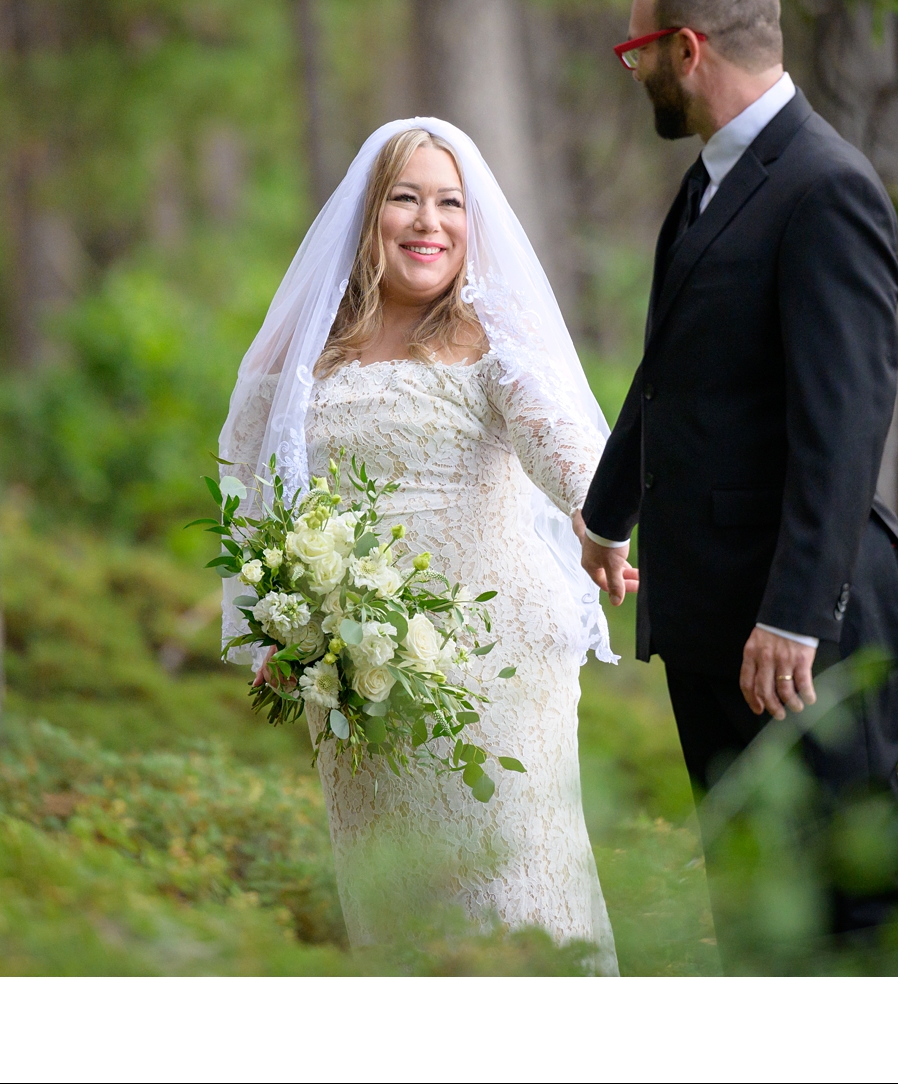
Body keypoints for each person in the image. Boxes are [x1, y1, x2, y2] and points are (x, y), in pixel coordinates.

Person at [576, 0, 898, 968]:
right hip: (714, 624)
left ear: (685, 48)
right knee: (757, 921)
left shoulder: (824, 187)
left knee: (849, 920)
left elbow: (844, 425)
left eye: (635, 48)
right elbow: (670, 368)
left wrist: (793, 615)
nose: (629, 68)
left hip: (800, 634)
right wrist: (607, 512)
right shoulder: (709, 185)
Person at [219, 120, 619, 972]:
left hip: (494, 670)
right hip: (354, 678)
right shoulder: (305, 353)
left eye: (449, 202)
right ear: (369, 217)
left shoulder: (495, 338)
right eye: (405, 198)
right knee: (394, 908)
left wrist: (599, 523)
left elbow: (569, 455)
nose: (426, 221)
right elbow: (257, 488)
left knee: (507, 898)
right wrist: (276, 625)